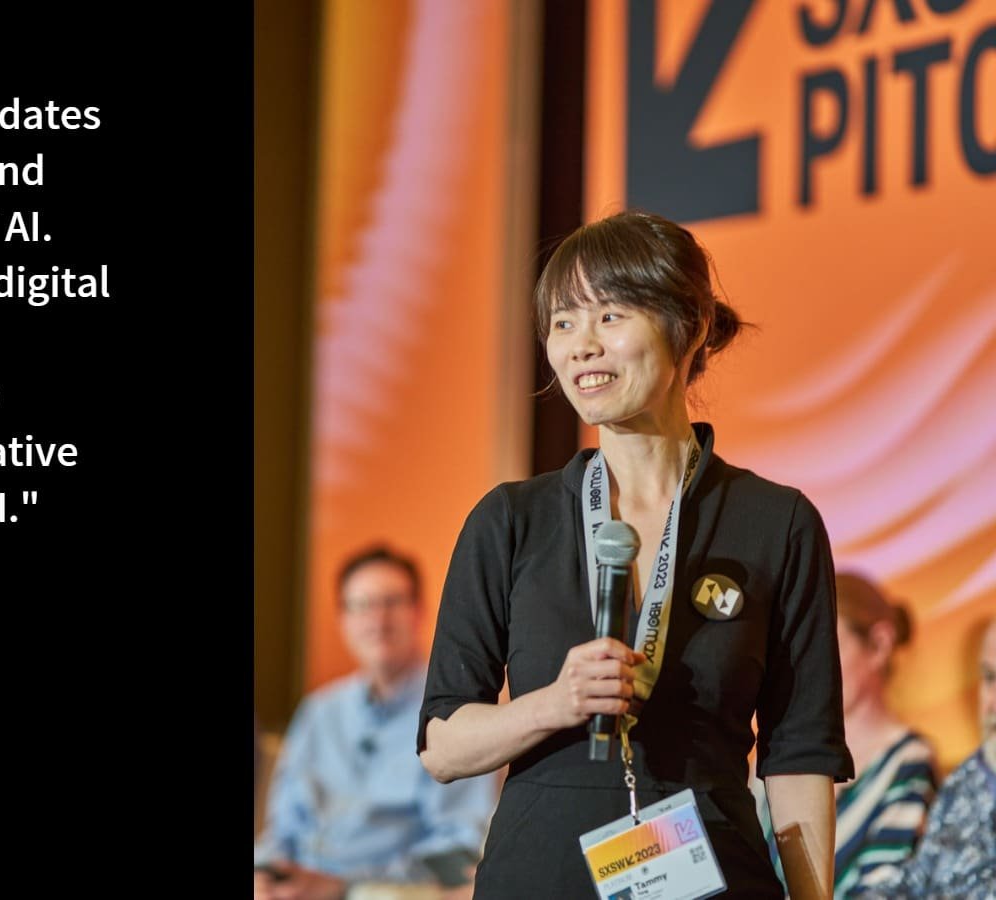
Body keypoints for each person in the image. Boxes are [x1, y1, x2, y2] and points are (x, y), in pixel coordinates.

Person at [418, 210, 853, 898]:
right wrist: (555, 702)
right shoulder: (512, 519)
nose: (581, 346)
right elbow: (442, 746)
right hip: (541, 878)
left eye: (610, 316)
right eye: (563, 323)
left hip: (716, 876)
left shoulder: (777, 523)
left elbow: (800, 754)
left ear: (691, 326)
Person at [256, 545, 498, 900]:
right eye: (362, 605)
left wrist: (344, 886)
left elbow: (456, 851)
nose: (378, 621)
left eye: (392, 602)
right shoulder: (318, 711)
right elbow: (282, 831)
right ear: (343, 619)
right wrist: (264, 873)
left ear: (419, 611)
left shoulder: (455, 714)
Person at [756, 573, 938, 896]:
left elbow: (884, 888)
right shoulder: (775, 752)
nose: (807, 666)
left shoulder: (907, 762)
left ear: (880, 645)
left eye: (823, 647)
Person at [853, 618, 996, 897]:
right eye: (989, 678)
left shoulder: (909, 761)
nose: (992, 703)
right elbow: (918, 878)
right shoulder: (966, 780)